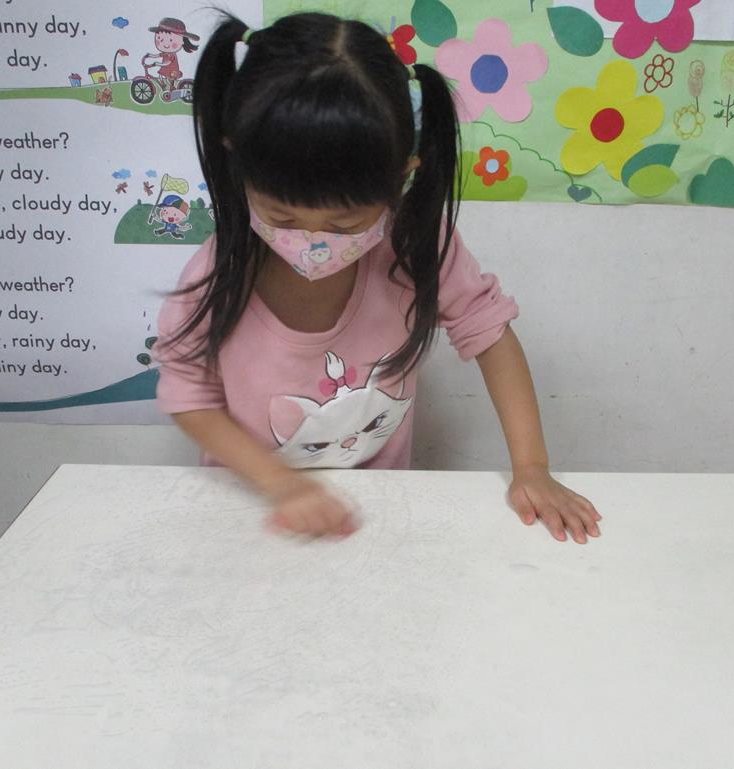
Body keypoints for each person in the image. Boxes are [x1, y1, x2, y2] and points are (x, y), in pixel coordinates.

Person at [154, 12, 602, 543]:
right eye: (283, 217)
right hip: (248, 509)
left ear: (402, 177)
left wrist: (532, 468)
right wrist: (283, 486)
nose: (313, 240)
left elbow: (491, 335)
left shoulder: (415, 244)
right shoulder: (216, 272)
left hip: (380, 513)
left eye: (344, 224)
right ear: (238, 163)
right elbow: (189, 397)